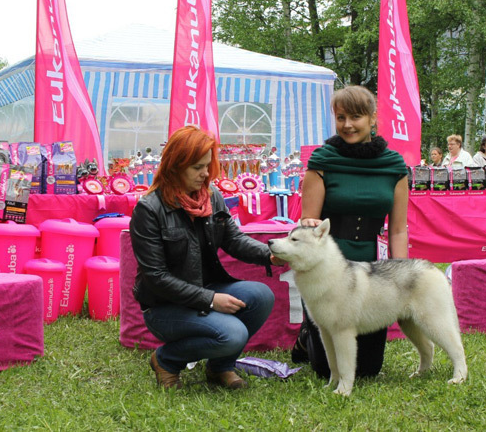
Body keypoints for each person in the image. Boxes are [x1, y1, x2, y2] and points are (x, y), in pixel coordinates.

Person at [130, 125, 280, 390]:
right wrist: (210, 300)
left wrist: (270, 255)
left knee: (261, 296)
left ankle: (220, 367)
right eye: (197, 167)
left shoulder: (212, 196)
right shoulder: (149, 208)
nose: (205, 174)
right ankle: (166, 359)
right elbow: (156, 277)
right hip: (164, 307)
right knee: (233, 334)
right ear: (175, 165)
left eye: (208, 166)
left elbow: (233, 239)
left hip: (206, 289)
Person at [292, 85, 408, 379]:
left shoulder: (394, 166)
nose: (347, 125)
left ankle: (313, 336)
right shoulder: (322, 161)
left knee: (367, 370)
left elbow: (397, 229)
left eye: (355, 117)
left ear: (372, 118)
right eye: (340, 117)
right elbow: (309, 221)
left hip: (372, 269)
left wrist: (402, 271)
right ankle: (308, 337)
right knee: (323, 370)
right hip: (328, 267)